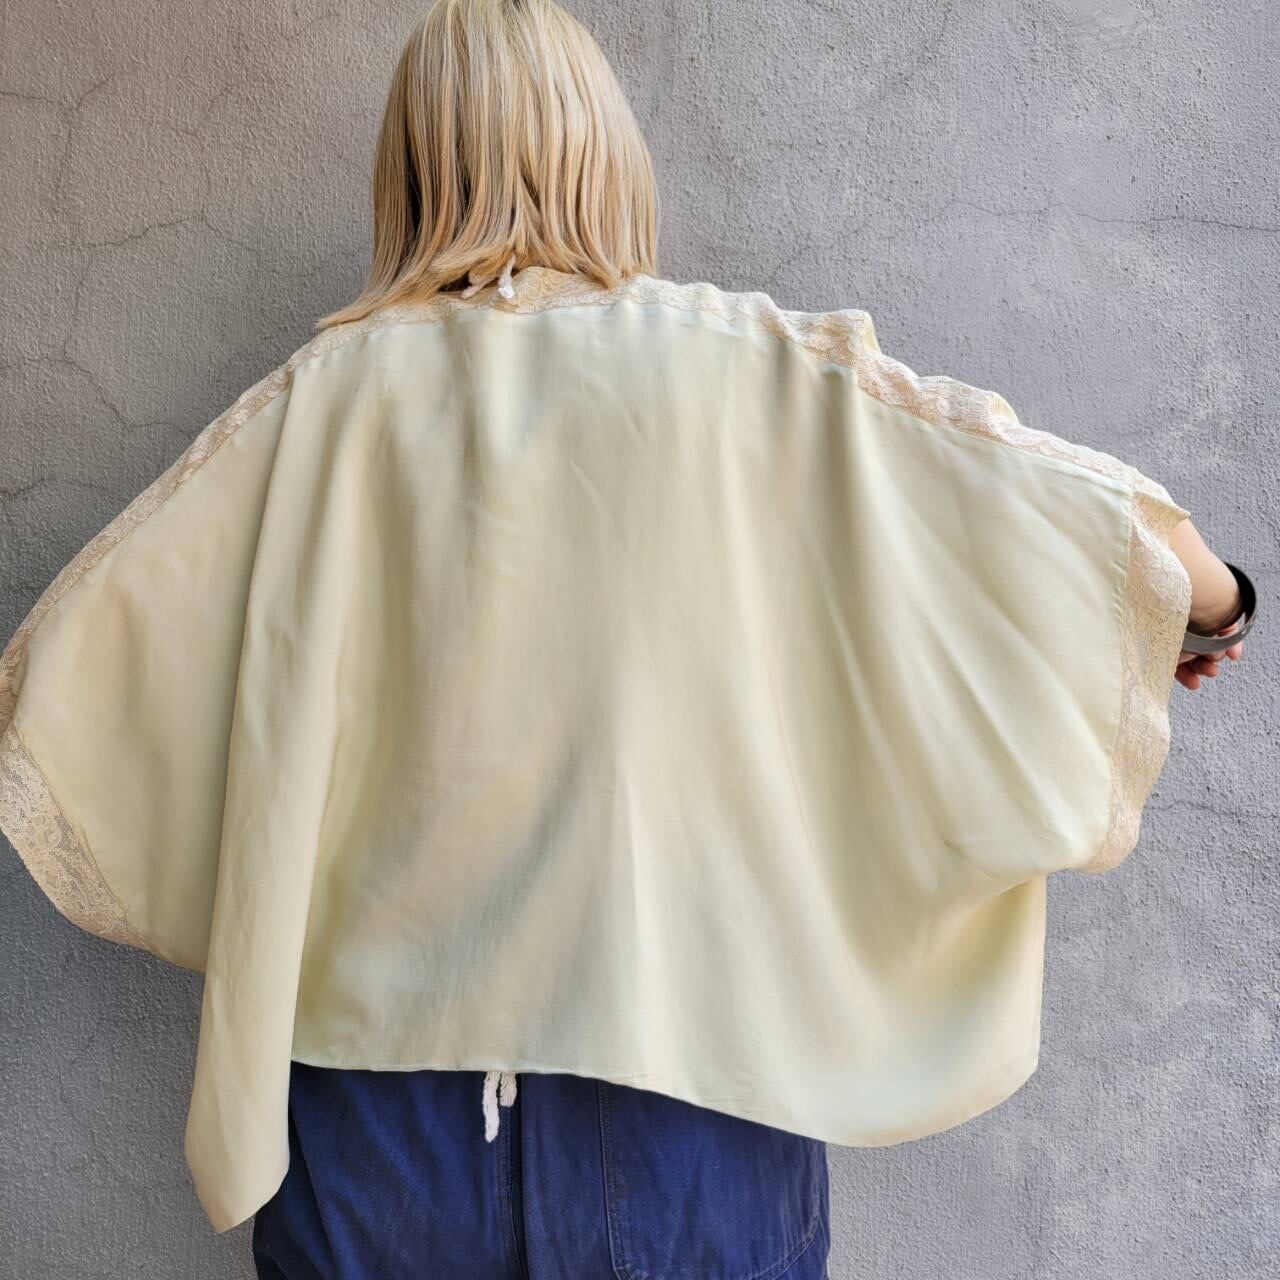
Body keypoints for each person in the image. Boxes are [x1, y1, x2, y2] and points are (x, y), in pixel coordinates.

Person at [0, 2, 1256, 1277]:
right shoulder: (756, 376)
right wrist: (1201, 609)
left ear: (412, 169)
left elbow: (69, 684)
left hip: (382, 1129)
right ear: (607, 153)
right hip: (692, 1111)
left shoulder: (316, 408)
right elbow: (1080, 518)